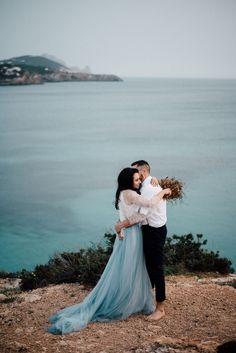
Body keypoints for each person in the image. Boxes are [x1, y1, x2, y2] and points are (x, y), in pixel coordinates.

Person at [47, 167, 171, 334]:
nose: (139, 182)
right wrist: (163, 191)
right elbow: (147, 205)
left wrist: (152, 179)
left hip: (126, 235)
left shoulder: (123, 192)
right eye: (136, 180)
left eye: (140, 178)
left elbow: (133, 206)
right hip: (132, 236)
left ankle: (129, 300)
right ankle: (126, 302)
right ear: (129, 181)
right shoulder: (130, 194)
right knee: (131, 268)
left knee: (127, 268)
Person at [115, 160, 168, 321]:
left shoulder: (149, 188)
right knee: (145, 267)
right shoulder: (142, 187)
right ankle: (143, 300)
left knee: (155, 268)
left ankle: (160, 308)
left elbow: (141, 215)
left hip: (154, 231)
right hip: (146, 230)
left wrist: (121, 225)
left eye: (137, 173)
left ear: (143, 172)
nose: (135, 176)